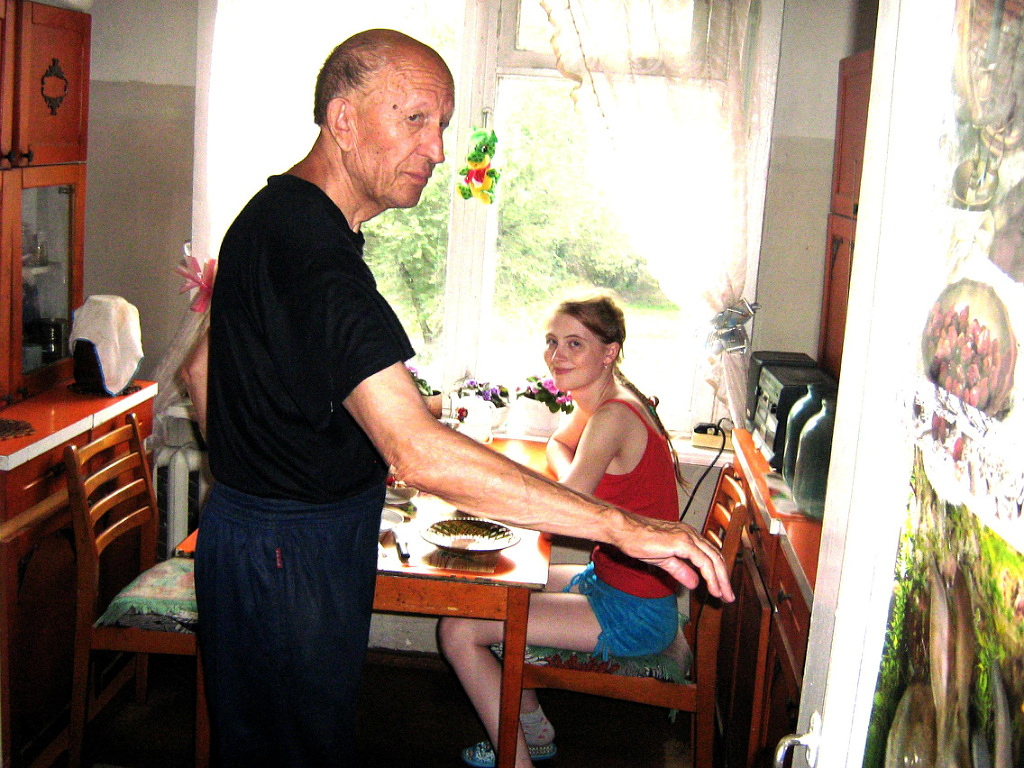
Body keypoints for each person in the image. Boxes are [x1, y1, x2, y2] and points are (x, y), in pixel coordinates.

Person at [191, 28, 734, 768]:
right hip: (292, 554)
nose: (439, 150)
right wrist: (625, 527)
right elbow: (415, 450)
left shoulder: (276, 219)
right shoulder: (314, 254)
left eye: (442, 124)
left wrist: (258, 470)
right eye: (416, 119)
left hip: (268, 539)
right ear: (343, 120)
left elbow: (202, 372)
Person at [438, 293, 691, 768]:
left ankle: (517, 759)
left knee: (458, 629)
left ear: (609, 352)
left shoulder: (613, 415)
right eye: (552, 341)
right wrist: (574, 479)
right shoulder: (604, 401)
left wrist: (482, 496)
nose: (557, 355)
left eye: (575, 343)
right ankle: (532, 731)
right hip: (610, 582)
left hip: (633, 610)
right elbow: (559, 446)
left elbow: (563, 508)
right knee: (490, 590)